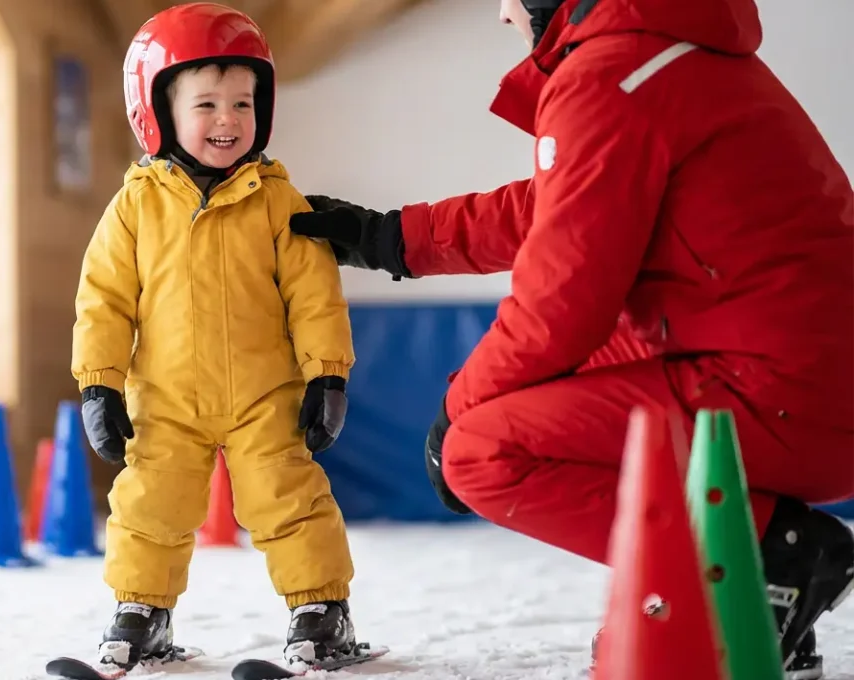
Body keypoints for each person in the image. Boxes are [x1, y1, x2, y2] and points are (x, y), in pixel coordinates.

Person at [289, 0, 854, 676]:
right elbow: (562, 204)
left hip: (784, 390)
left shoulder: (613, 72)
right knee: (496, 410)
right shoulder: (659, 53)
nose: (503, 15)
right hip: (791, 371)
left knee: (479, 452)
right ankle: (770, 577)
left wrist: (453, 415)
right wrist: (392, 239)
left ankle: (765, 566)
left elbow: (563, 304)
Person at [71, 2, 360, 672]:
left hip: (265, 395)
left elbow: (314, 294)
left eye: (242, 104)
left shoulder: (279, 201)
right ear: (158, 112)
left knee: (289, 498)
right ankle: (142, 609)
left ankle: (322, 610)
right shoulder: (134, 206)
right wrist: (98, 385)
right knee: (149, 503)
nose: (227, 119)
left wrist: (327, 373)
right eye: (206, 104)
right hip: (166, 397)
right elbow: (104, 302)